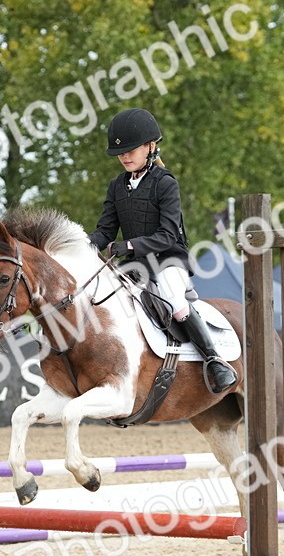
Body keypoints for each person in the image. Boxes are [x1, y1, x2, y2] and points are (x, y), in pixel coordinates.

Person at [87, 107, 237, 393]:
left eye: (131, 150)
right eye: (120, 153)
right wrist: (81, 244)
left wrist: (129, 244)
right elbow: (105, 231)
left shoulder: (165, 183)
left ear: (150, 146)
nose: (124, 157)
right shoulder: (117, 186)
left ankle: (214, 360)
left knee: (173, 299)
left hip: (168, 259)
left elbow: (168, 235)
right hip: (135, 264)